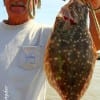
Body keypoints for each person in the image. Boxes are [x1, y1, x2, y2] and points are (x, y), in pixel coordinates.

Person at [0, 0, 99, 100]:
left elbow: (96, 43)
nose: (17, 0)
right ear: (3, 1)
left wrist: (97, 9)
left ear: (35, 1)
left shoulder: (46, 34)